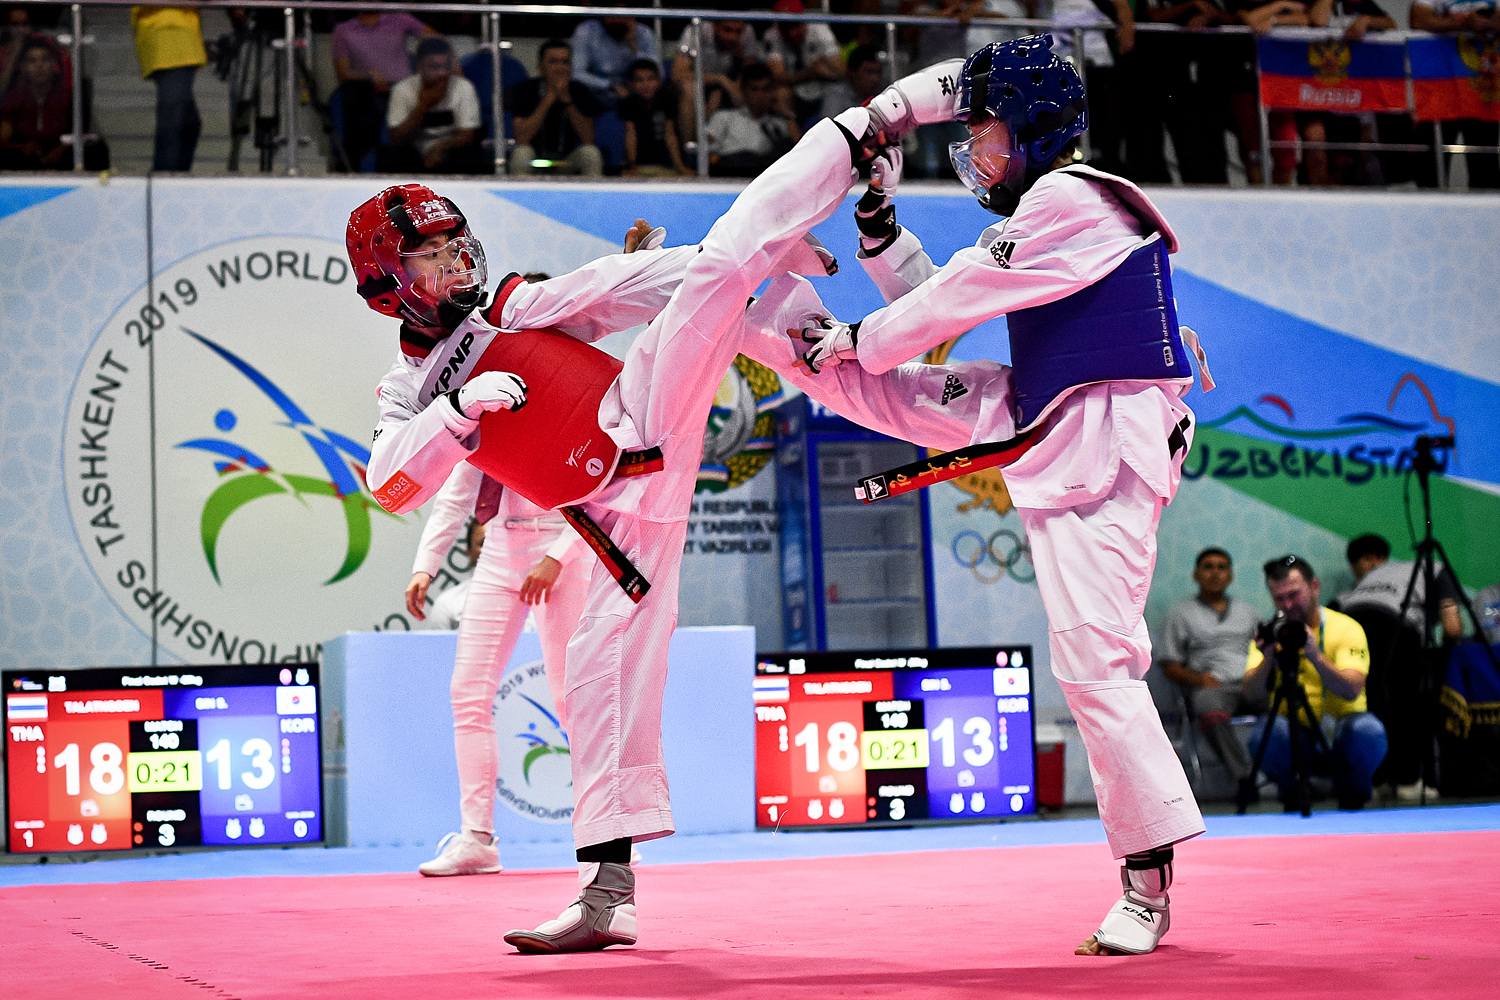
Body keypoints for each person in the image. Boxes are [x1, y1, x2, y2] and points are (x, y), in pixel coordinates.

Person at [347, 69, 938, 950]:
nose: (456, 263)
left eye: (456, 245)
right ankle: (607, 896)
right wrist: (457, 410)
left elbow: (607, 289)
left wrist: (736, 263)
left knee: (715, 276)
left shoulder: (510, 306)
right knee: (597, 687)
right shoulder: (411, 388)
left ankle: (858, 133)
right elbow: (391, 484)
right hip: (618, 529)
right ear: (388, 283)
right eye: (431, 257)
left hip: (643, 421)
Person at [790, 35, 1214, 956]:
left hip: (1100, 437)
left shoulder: (1070, 198)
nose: (974, 150)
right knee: (883, 384)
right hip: (1052, 416)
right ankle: (775, 327)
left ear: (1031, 127)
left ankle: (1146, 887)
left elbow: (955, 298)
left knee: (1096, 662)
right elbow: (950, 295)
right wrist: (881, 236)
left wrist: (861, 334)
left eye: (983, 130)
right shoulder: (1050, 214)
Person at [406, 461, 591, 875]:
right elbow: (455, 497)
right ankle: (477, 840)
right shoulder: (480, 422)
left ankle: (606, 836)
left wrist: (557, 558)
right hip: (499, 547)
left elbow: (597, 496)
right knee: (468, 693)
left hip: (564, 545)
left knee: (573, 699)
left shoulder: (572, 416)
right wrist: (425, 566)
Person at [1245, 555, 1388, 809]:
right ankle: (1294, 793)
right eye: (1279, 598)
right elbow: (1251, 693)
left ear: (1315, 586)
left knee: (1368, 731)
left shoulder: (1346, 628)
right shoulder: (1273, 632)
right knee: (1265, 734)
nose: (1288, 605)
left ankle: (1354, 793)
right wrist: (1268, 658)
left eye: (1294, 594)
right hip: (1297, 736)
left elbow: (1352, 689)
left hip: (1343, 731)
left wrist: (1316, 656)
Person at [1335, 532, 1460, 800]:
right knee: (1406, 702)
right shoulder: (1435, 568)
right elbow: (1452, 626)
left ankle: (1376, 780)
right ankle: (1407, 781)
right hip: (1395, 623)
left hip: (1352, 624)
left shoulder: (1359, 587)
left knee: (1372, 705)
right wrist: (1448, 655)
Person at [1158, 548, 1263, 785]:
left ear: (1230, 576)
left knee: (1288, 701)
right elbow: (1169, 665)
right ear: (1196, 575)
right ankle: (1244, 777)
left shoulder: (1248, 613)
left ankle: (1293, 776)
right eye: (1208, 567)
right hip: (1214, 687)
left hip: (1252, 683)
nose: (1215, 573)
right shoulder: (1180, 614)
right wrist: (1200, 680)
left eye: (1221, 567)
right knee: (1207, 703)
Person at [330, 9, 438, 172]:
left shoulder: (400, 19)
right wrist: (369, 75)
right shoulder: (343, 30)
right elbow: (343, 74)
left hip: (405, 90)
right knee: (360, 106)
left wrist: (429, 68)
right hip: (367, 92)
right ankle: (366, 168)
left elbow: (437, 41)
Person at [1410, 0, 1500, 189]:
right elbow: (1417, 19)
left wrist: (1493, 22)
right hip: (1440, 85)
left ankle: (1484, 209)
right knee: (1431, 166)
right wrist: (1462, 22)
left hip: (1483, 89)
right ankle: (1429, 208)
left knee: (1485, 169)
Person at [384, 37, 485, 174]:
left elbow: (468, 135)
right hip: (413, 152)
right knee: (393, 155)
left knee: (472, 154)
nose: (442, 73)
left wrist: (439, 148)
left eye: (446, 66)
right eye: (435, 67)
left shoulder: (463, 87)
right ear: (419, 68)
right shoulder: (402, 89)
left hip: (450, 149)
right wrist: (423, 107)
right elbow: (396, 139)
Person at [509, 38, 605, 177]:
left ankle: (593, 192)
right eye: (553, 62)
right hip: (535, 160)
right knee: (521, 153)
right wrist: (550, 98)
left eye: (565, 62)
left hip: (567, 162)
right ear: (541, 67)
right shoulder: (525, 90)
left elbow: (588, 138)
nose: (560, 67)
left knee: (590, 154)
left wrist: (567, 100)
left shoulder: (579, 90)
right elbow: (522, 138)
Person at [130, 5, 205, 172]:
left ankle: (172, 176)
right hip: (170, 38)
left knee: (189, 123)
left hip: (176, 38)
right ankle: (165, 177)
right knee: (174, 120)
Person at [671, 18, 763, 143]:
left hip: (728, 86)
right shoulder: (695, 30)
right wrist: (720, 79)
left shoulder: (748, 31)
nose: (733, 37)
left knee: (753, 90)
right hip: (699, 83)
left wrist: (736, 87)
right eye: (727, 30)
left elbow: (750, 74)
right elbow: (678, 74)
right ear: (715, 25)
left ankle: (751, 147)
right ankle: (691, 149)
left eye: (738, 31)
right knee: (689, 88)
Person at [706, 62, 800, 177]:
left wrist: (785, 112)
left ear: (772, 92)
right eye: (754, 89)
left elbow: (799, 154)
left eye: (766, 89)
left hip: (764, 176)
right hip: (729, 175)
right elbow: (707, 151)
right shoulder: (724, 118)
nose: (760, 95)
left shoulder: (778, 125)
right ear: (744, 91)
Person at [761, 0, 844, 127]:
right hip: (795, 91)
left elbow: (841, 71)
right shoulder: (772, 35)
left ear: (804, 20)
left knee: (837, 89)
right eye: (784, 27)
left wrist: (824, 73)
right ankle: (793, 136)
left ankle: (830, 130)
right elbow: (778, 77)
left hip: (821, 89)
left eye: (795, 25)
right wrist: (811, 73)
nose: (791, 33)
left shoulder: (820, 31)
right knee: (780, 92)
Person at [570, 1, 660, 108]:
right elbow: (576, 73)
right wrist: (609, 85)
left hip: (633, 95)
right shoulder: (586, 31)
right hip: (595, 92)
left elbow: (657, 74)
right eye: (612, 14)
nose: (616, 20)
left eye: (621, 14)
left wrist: (633, 44)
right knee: (575, 89)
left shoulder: (643, 33)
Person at [0, 35, 70, 170]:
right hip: (25, 162)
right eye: (32, 61)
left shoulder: (66, 96)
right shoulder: (14, 97)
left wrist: (61, 149)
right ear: (23, 67)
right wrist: (22, 147)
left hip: (61, 163)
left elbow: (81, 135)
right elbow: (3, 139)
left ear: (53, 64)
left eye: (45, 59)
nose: (39, 66)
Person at [619, 58, 690, 176]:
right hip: (640, 167)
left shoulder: (666, 101)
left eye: (650, 79)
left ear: (659, 81)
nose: (646, 85)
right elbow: (630, 134)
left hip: (665, 166)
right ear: (631, 84)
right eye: (640, 80)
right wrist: (632, 165)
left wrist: (680, 166)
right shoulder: (628, 103)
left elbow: (670, 135)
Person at [819, 44, 885, 122]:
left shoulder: (885, 93)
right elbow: (830, 126)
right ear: (853, 73)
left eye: (878, 72)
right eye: (869, 72)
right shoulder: (836, 94)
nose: (875, 79)